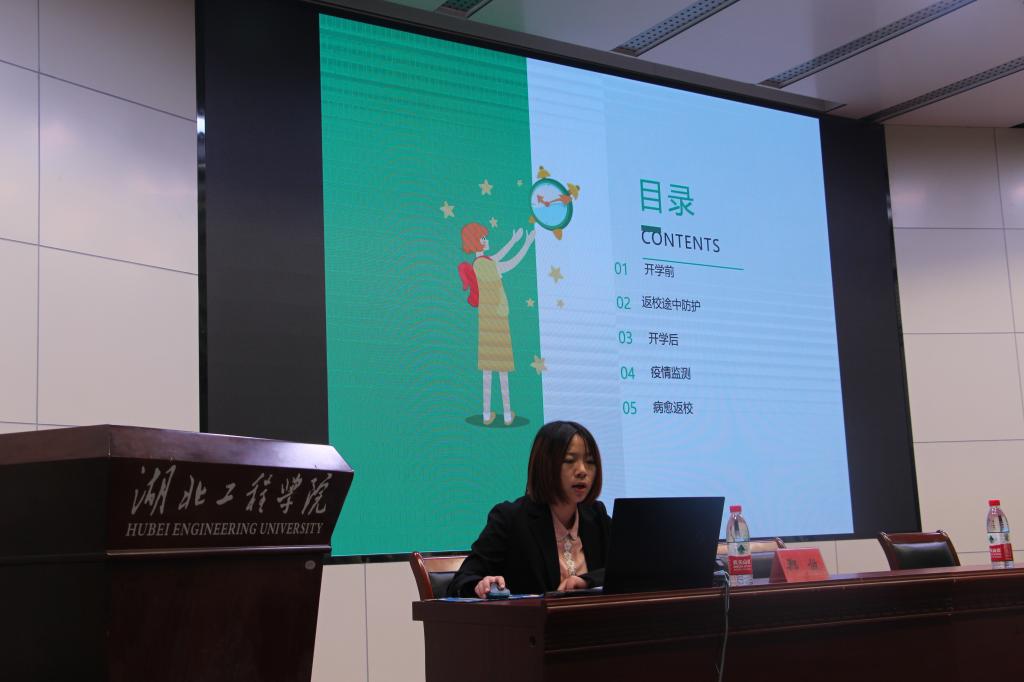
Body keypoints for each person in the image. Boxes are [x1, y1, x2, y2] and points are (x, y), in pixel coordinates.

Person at [446, 421, 612, 597]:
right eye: (569, 461)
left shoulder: (596, 516)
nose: (582, 471)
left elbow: (627, 570)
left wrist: (587, 581)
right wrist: (481, 585)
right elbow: (460, 582)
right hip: (532, 615)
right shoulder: (510, 519)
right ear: (545, 465)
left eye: (590, 462)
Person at [458, 222, 536, 426]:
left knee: (488, 368)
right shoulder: (485, 265)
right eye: (483, 238)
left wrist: (514, 240)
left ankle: (487, 414)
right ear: (475, 242)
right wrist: (527, 244)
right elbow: (510, 263)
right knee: (501, 368)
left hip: (488, 319)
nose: (487, 240)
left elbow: (498, 256)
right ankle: (507, 414)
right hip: (497, 319)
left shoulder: (481, 262)